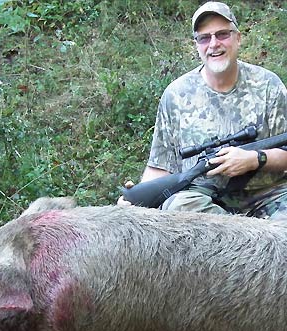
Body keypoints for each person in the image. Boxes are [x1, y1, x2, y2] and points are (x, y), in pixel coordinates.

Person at [118, 1, 287, 220]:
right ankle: (248, 242)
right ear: (196, 44)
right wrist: (135, 199)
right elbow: (161, 166)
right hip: (206, 202)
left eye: (222, 34)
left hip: (268, 196)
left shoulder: (268, 85)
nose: (214, 44)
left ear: (238, 38)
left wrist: (255, 159)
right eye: (205, 38)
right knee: (178, 206)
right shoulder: (176, 95)